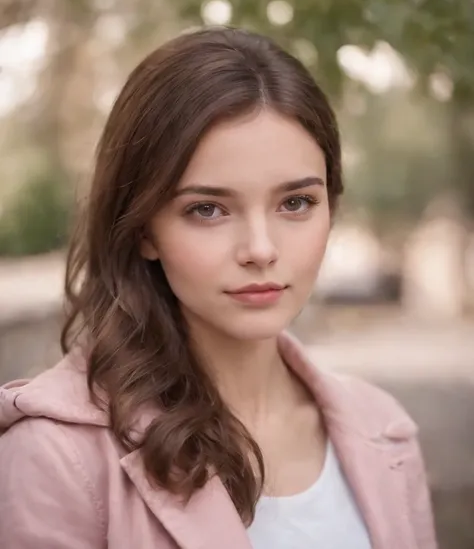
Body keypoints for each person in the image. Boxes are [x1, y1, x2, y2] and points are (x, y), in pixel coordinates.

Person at [0, 28, 437, 549]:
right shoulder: (56, 458)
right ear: (143, 230)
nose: (260, 248)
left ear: (331, 207)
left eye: (295, 203)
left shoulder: (384, 431)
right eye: (207, 209)